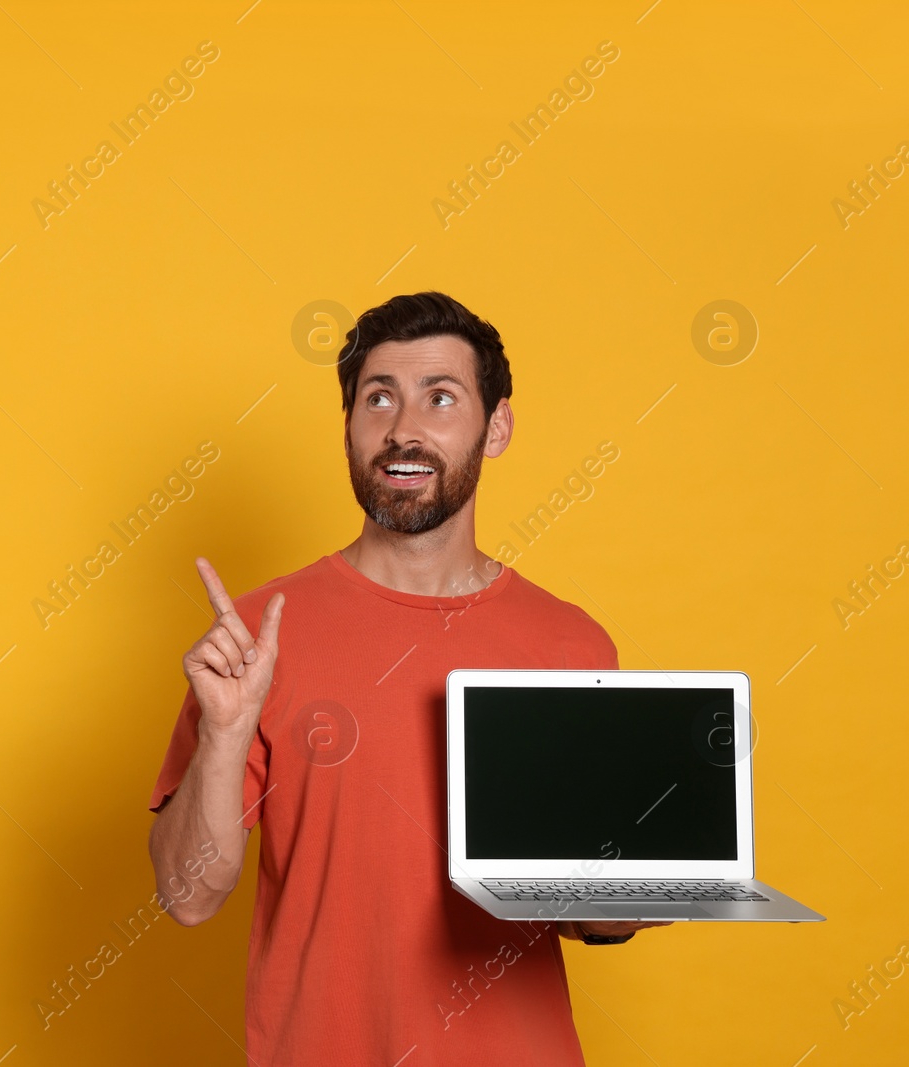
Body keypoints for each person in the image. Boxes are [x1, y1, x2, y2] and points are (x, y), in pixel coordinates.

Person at [146, 291, 670, 1065]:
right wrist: (225, 732)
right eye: (378, 398)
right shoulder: (255, 636)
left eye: (441, 397)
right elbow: (189, 895)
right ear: (351, 425)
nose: (403, 430)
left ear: (496, 428)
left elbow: (597, 919)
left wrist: (657, 873)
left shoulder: (569, 641)